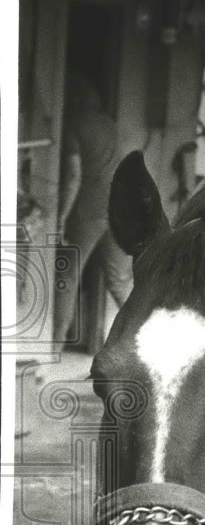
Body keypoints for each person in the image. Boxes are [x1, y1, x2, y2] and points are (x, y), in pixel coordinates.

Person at [52, 72, 132, 347]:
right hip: (117, 209)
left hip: (86, 211)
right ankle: (144, 340)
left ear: (74, 98)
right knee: (120, 281)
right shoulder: (110, 125)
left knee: (67, 277)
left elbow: (73, 178)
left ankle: (55, 345)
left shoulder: (73, 125)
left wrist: (60, 218)